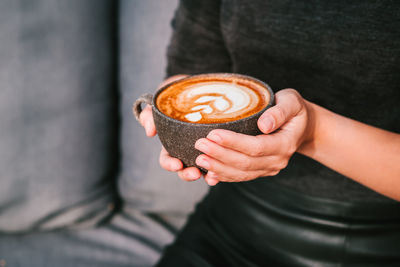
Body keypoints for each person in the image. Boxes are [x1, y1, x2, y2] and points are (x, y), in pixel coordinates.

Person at [138, 0, 400, 266]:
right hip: (231, 216)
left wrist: (314, 131)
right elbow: (190, 73)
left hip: (372, 238)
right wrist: (170, 122)